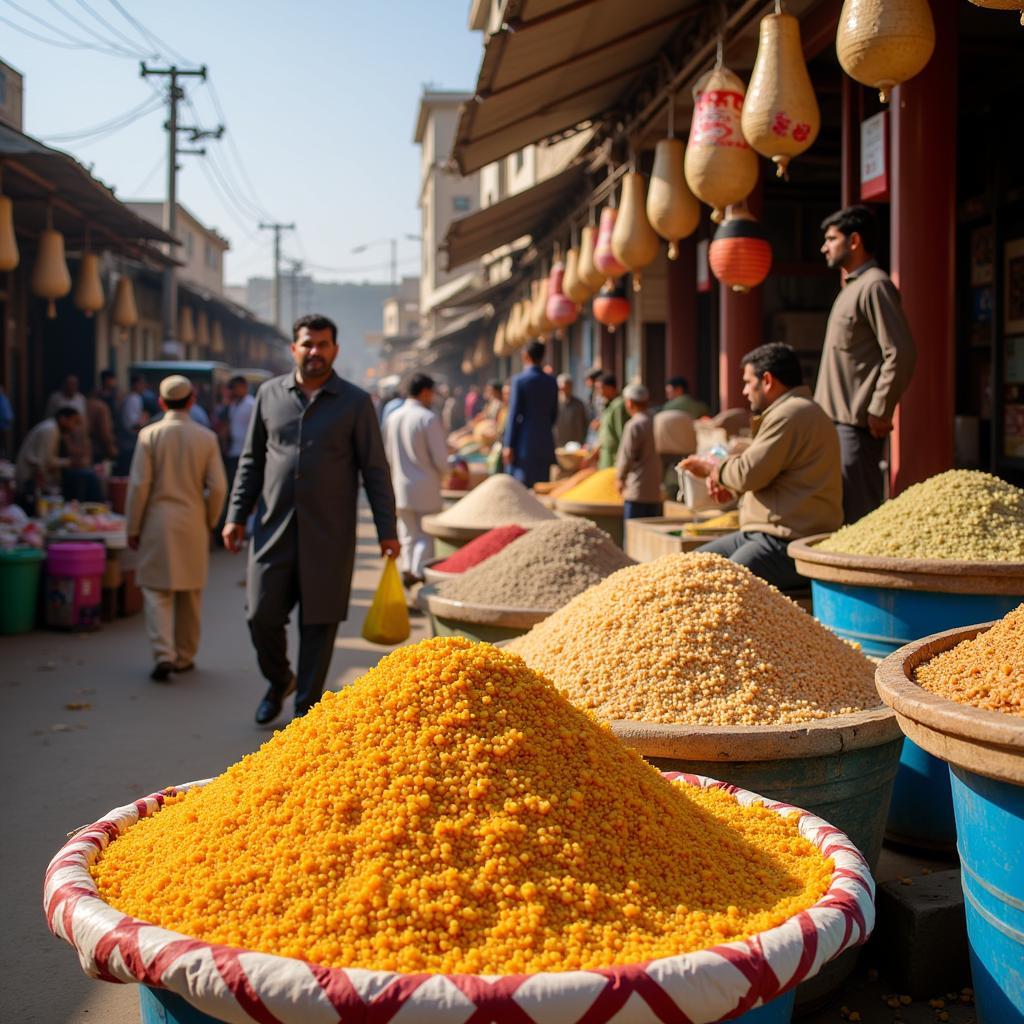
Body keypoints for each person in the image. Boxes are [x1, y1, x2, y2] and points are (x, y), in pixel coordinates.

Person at [223, 313, 399, 725]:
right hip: (273, 528)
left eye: (322, 344)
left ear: (334, 350)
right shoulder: (269, 395)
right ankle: (279, 679)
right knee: (260, 614)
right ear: (294, 348)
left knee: (319, 625)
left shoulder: (355, 402)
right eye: (307, 343)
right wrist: (235, 515)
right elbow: (251, 461)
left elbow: (375, 470)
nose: (314, 351)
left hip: (330, 534)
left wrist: (387, 531)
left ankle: (305, 711)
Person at [680, 343, 841, 591]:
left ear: (766, 380)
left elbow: (748, 473)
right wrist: (729, 485)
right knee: (685, 568)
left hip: (785, 541)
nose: (744, 391)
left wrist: (713, 469)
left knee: (716, 587)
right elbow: (767, 472)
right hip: (761, 534)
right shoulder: (796, 411)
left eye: (747, 382)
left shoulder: (790, 414)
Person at [817, 204, 916, 524]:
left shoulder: (875, 285)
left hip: (856, 425)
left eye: (831, 239)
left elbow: (900, 351)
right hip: (835, 425)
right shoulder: (852, 287)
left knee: (859, 518)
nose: (824, 247)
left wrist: (880, 408)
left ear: (854, 241)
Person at [125, 376, 227, 681]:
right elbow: (219, 487)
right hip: (193, 519)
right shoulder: (206, 437)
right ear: (192, 400)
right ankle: (184, 656)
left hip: (157, 520)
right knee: (190, 593)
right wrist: (209, 520)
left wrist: (133, 525)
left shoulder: (149, 435)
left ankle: (163, 654)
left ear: (160, 402)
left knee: (157, 591)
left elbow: (139, 486)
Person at [383, 372, 449, 586]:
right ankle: (418, 575)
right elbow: (441, 459)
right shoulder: (427, 418)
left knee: (407, 534)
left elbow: (386, 454)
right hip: (425, 487)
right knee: (425, 536)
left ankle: (407, 570)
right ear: (425, 392)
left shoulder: (393, 417)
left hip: (400, 485)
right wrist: (449, 472)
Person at [503, 340, 558, 488]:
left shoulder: (519, 381)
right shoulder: (551, 382)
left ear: (525, 356)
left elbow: (513, 414)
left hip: (524, 444)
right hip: (545, 442)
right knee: (541, 488)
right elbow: (554, 414)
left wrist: (509, 444)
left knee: (522, 490)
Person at [14, 406, 81, 507]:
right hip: (28, 480)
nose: (74, 427)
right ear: (63, 419)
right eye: (74, 422)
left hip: (33, 479)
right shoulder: (50, 430)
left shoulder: (52, 429)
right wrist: (69, 462)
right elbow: (46, 462)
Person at [616, 384, 663, 519]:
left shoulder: (634, 425)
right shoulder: (657, 421)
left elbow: (626, 456)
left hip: (636, 490)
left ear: (629, 403)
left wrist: (620, 478)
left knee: (633, 535)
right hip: (655, 490)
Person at [225, 375, 256, 486]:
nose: (234, 390)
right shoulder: (233, 404)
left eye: (235, 387)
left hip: (246, 451)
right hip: (234, 450)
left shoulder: (251, 404)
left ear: (244, 387)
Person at [116, 375, 149, 475]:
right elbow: (131, 424)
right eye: (141, 384)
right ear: (135, 385)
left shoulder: (135, 398)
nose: (143, 386)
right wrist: (144, 425)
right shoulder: (133, 399)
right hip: (129, 442)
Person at [598, 374, 629, 469]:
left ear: (609, 388)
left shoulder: (619, 405)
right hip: (605, 455)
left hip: (614, 456)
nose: (598, 392)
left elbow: (621, 434)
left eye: (600, 388)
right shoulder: (609, 405)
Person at [554, 373, 588, 448]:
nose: (564, 391)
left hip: (575, 445)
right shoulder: (553, 404)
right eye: (562, 388)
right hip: (557, 444)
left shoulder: (579, 405)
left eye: (567, 387)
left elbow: (584, 424)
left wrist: (582, 441)